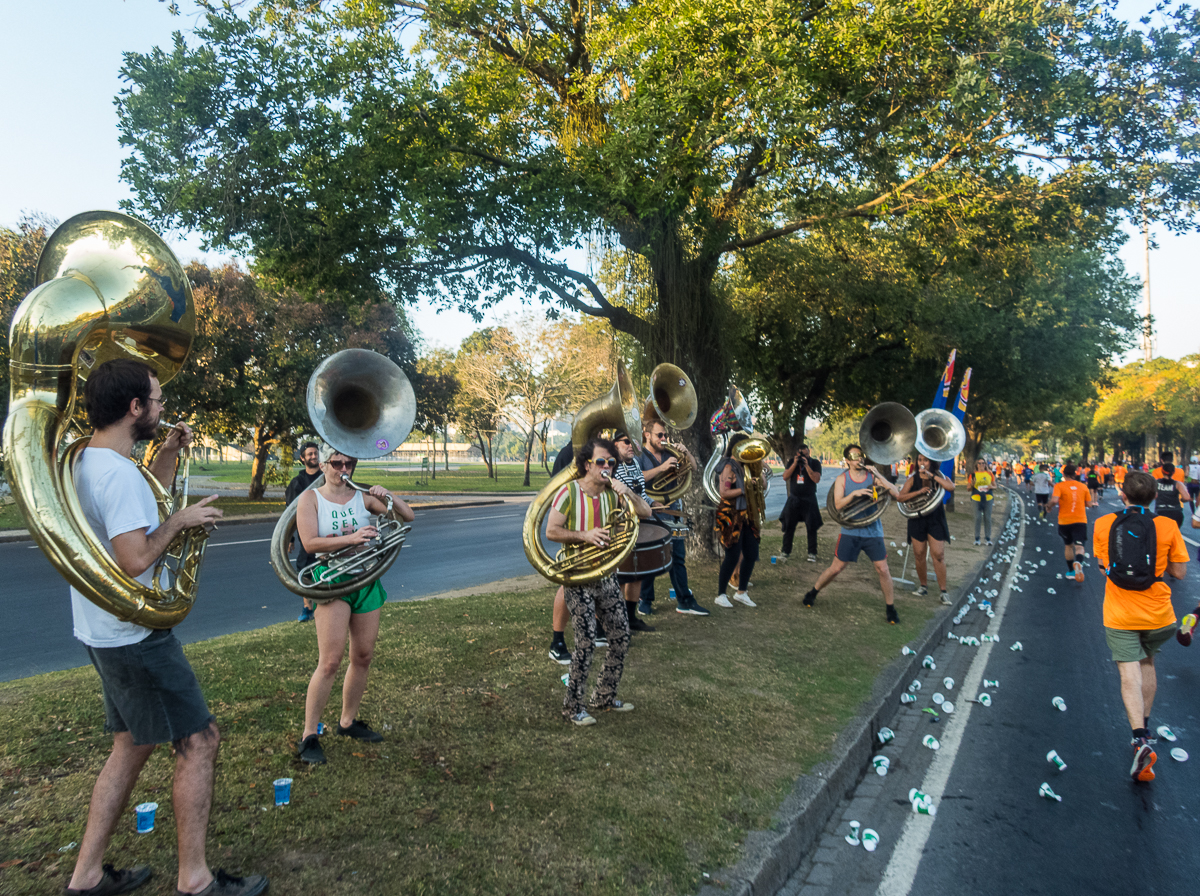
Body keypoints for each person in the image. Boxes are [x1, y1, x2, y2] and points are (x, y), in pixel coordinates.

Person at [63, 359, 267, 896]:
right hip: (136, 636)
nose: (160, 408)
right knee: (200, 741)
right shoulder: (119, 475)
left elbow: (137, 505)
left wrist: (170, 453)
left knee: (130, 744)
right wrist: (182, 520)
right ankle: (195, 881)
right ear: (135, 408)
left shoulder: (88, 461)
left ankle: (85, 876)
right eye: (155, 400)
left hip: (101, 630)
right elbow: (134, 557)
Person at [294, 444, 413, 765]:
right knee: (330, 661)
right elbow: (310, 543)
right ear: (323, 464)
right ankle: (308, 735)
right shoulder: (310, 499)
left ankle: (347, 722)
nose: (343, 469)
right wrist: (352, 538)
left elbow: (408, 515)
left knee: (363, 656)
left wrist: (388, 495)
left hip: (366, 579)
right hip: (333, 580)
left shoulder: (363, 497)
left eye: (349, 463)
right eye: (336, 463)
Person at [545, 437, 652, 725]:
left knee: (620, 635)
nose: (608, 468)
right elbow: (551, 531)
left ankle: (603, 696)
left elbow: (646, 512)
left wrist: (626, 490)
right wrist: (585, 535)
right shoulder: (568, 492)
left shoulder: (612, 493)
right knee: (586, 641)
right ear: (586, 464)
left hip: (606, 576)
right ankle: (573, 707)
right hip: (578, 577)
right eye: (602, 462)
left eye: (612, 463)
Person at [1092, 472, 1188, 782]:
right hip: (1160, 615)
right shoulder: (1169, 526)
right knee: (1148, 663)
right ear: (1154, 496)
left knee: (1127, 672)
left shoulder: (1104, 524)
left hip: (1120, 614)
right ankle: (1145, 725)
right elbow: (1180, 572)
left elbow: (1103, 565)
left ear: (1123, 495)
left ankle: (1139, 739)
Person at [802, 445, 903, 624]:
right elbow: (838, 504)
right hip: (850, 531)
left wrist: (879, 475)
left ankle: (891, 609)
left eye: (861, 455)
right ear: (847, 461)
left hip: (873, 531)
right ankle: (813, 592)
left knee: (883, 569)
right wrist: (855, 493)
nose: (859, 459)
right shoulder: (842, 479)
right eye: (854, 456)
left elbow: (896, 494)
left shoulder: (872, 477)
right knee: (836, 568)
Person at [639, 419, 709, 616]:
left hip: (673, 510)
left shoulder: (671, 453)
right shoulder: (639, 456)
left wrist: (685, 451)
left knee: (678, 557)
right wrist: (661, 469)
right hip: (649, 512)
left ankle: (684, 600)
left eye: (665, 435)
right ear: (647, 435)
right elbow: (637, 479)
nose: (663, 439)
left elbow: (693, 469)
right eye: (659, 435)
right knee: (650, 557)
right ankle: (646, 600)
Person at [608, 430, 660, 632]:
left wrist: (653, 503)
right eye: (626, 442)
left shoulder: (636, 464)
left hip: (638, 523)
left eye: (633, 442)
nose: (632, 445)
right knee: (621, 575)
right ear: (615, 444)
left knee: (636, 574)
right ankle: (616, 623)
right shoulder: (611, 467)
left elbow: (641, 493)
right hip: (620, 527)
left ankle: (631, 618)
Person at [713, 433, 767, 608]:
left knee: (751, 553)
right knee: (732, 555)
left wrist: (758, 467)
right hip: (731, 515)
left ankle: (741, 592)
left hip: (748, 516)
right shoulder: (729, 466)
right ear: (737, 448)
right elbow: (724, 492)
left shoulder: (748, 466)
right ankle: (721, 594)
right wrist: (744, 489)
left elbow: (763, 485)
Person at [896, 452, 955, 605]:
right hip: (917, 519)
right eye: (920, 460)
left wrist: (931, 476)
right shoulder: (913, 478)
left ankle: (943, 591)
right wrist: (919, 492)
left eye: (926, 460)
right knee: (919, 554)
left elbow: (950, 487)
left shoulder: (939, 476)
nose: (922, 463)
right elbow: (900, 497)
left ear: (931, 462)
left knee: (938, 554)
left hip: (935, 519)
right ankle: (923, 586)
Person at [285, 441, 322, 622]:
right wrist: (290, 539)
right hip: (307, 535)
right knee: (304, 569)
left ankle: (324, 604)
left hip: (328, 532)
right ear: (302, 458)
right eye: (309, 454)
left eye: (315, 453)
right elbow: (289, 513)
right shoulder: (297, 482)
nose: (313, 456)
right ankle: (308, 607)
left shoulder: (328, 477)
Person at [779, 443, 823, 564]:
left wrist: (807, 465)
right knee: (789, 526)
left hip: (809, 499)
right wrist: (794, 463)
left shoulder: (814, 463)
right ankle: (785, 551)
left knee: (811, 527)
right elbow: (785, 477)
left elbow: (816, 479)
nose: (805, 457)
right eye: (802, 455)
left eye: (807, 454)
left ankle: (812, 553)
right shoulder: (792, 462)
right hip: (794, 499)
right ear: (796, 454)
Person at [1049, 463, 1090, 582]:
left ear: (1064, 474)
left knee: (1068, 546)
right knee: (1079, 546)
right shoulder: (1083, 486)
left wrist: (1049, 506)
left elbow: (1055, 500)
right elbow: (1089, 504)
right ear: (1075, 474)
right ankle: (1078, 562)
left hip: (1064, 521)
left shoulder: (1059, 486)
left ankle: (1071, 571)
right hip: (1080, 520)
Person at [1150, 451, 1189, 530]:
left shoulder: (1156, 472)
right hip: (1176, 507)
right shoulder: (1180, 472)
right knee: (1174, 533)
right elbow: (1184, 490)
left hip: (1161, 509)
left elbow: (1153, 492)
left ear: (1161, 460)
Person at [967, 459, 996, 545]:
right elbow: (968, 488)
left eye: (983, 463)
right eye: (979, 463)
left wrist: (991, 487)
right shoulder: (973, 475)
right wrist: (972, 484)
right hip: (976, 498)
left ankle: (987, 538)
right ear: (976, 465)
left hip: (988, 498)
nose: (981, 465)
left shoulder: (990, 473)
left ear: (985, 464)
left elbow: (995, 486)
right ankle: (977, 538)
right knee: (977, 518)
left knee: (987, 518)